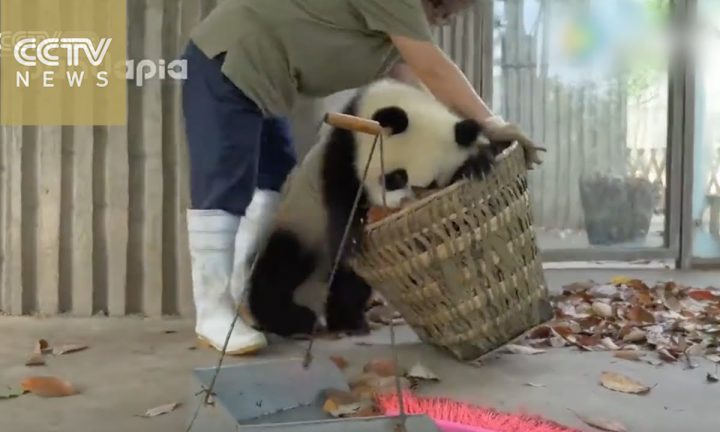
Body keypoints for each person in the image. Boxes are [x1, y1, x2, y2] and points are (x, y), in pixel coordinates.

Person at [181, 0, 543, 356]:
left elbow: (418, 89)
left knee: (271, 183)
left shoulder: (392, 33)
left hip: (266, 84)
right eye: (446, 9)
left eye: (451, 15)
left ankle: (243, 297)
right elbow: (434, 70)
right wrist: (491, 123)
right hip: (229, 60)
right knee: (225, 184)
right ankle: (213, 313)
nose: (446, 19)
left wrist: (463, 139)